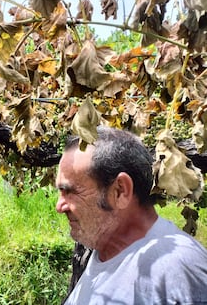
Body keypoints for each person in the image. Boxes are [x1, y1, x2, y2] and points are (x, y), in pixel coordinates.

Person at [55, 126, 207, 304]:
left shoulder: (176, 268)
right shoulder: (104, 254)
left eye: (70, 191)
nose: (60, 206)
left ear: (120, 191)